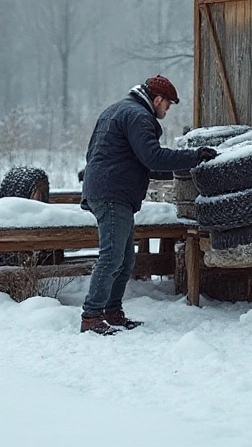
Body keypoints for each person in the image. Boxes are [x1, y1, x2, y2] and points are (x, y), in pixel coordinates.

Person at [79, 75, 216, 335]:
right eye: (168, 105)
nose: (167, 110)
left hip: (109, 189)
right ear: (157, 99)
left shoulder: (116, 110)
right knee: (112, 257)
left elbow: (104, 154)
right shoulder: (139, 116)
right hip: (113, 193)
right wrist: (194, 157)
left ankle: (112, 311)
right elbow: (152, 157)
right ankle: (92, 317)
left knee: (125, 258)